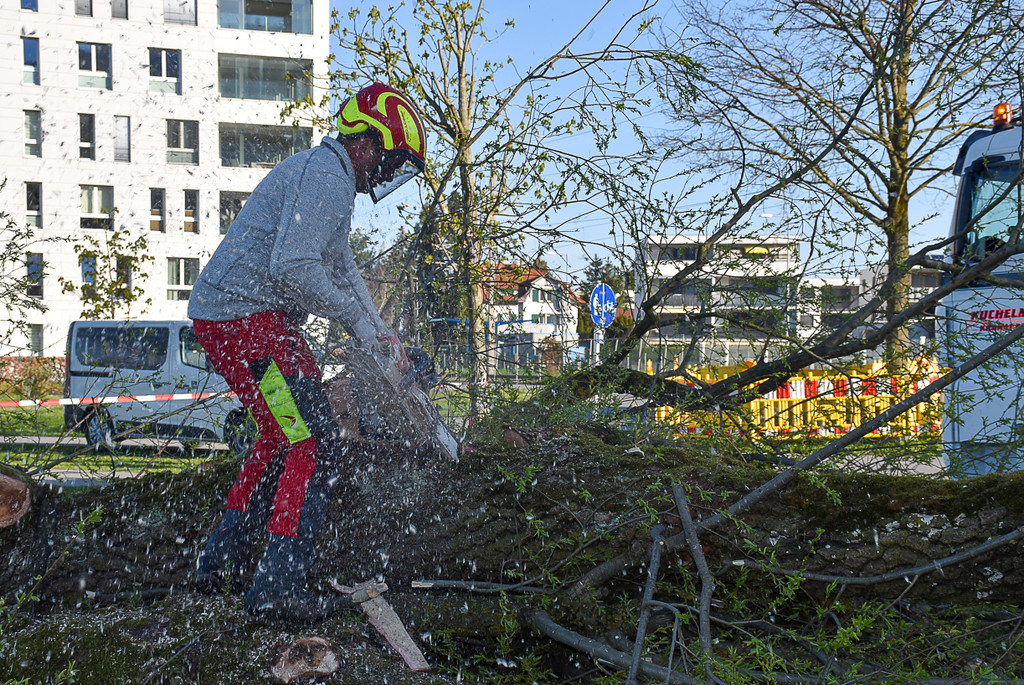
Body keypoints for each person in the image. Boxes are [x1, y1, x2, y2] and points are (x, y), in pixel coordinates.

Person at [187, 83, 426, 622]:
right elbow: (292, 267)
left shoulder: (328, 176)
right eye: (393, 160)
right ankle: (277, 587)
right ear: (367, 144)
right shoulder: (327, 178)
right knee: (311, 442)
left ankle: (221, 565)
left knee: (282, 435)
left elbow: (342, 269)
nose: (390, 174)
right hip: (246, 323)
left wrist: (380, 334)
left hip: (245, 321)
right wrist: (351, 320)